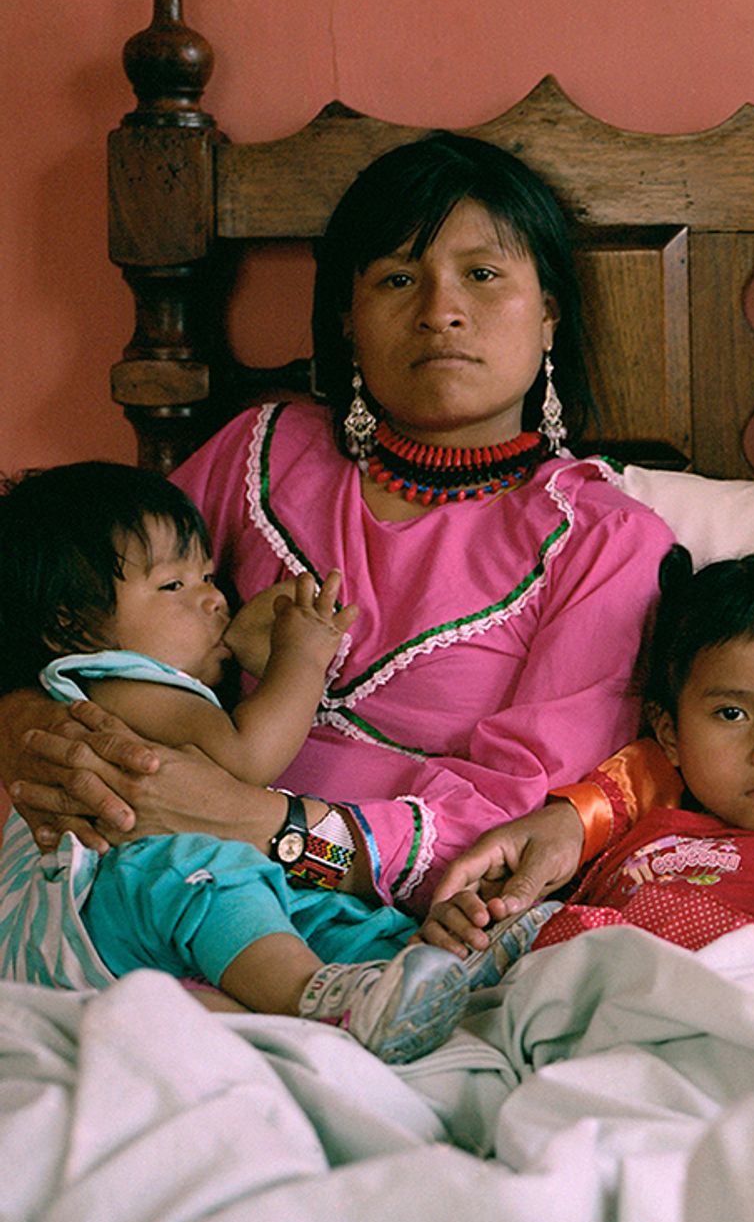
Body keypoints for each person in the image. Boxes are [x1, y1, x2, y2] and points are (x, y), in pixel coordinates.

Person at [0, 132, 671, 934]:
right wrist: (23, 725)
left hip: (386, 921)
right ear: (349, 320)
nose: (440, 311)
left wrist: (263, 826)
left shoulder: (603, 539)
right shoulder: (259, 454)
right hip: (139, 878)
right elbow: (66, 605)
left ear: (550, 314)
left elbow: (513, 820)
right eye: (397, 278)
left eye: (483, 274)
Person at [0, 463, 534, 1059]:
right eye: (173, 586)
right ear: (71, 623)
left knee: (305, 902)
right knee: (215, 873)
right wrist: (299, 657)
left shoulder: (136, 684)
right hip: (102, 914)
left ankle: (420, 969)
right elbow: (249, 757)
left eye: (207, 576)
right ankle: (319, 998)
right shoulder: (116, 681)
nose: (213, 597)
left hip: (156, 914)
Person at [423, 541, 754, 1015]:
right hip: (585, 989)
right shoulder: (640, 801)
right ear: (671, 733)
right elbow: (540, 878)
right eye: (732, 714)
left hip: (750, 988)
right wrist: (481, 917)